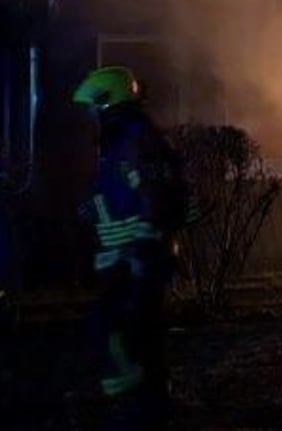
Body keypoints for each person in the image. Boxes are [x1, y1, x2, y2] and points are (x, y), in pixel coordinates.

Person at [74, 66, 183, 430]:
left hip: (139, 258)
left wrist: (143, 251)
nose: (91, 117)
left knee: (126, 334)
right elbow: (126, 192)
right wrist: (94, 208)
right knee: (125, 334)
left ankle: (141, 410)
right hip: (127, 259)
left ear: (108, 104)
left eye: (94, 109)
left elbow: (156, 197)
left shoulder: (138, 140)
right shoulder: (124, 141)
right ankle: (140, 406)